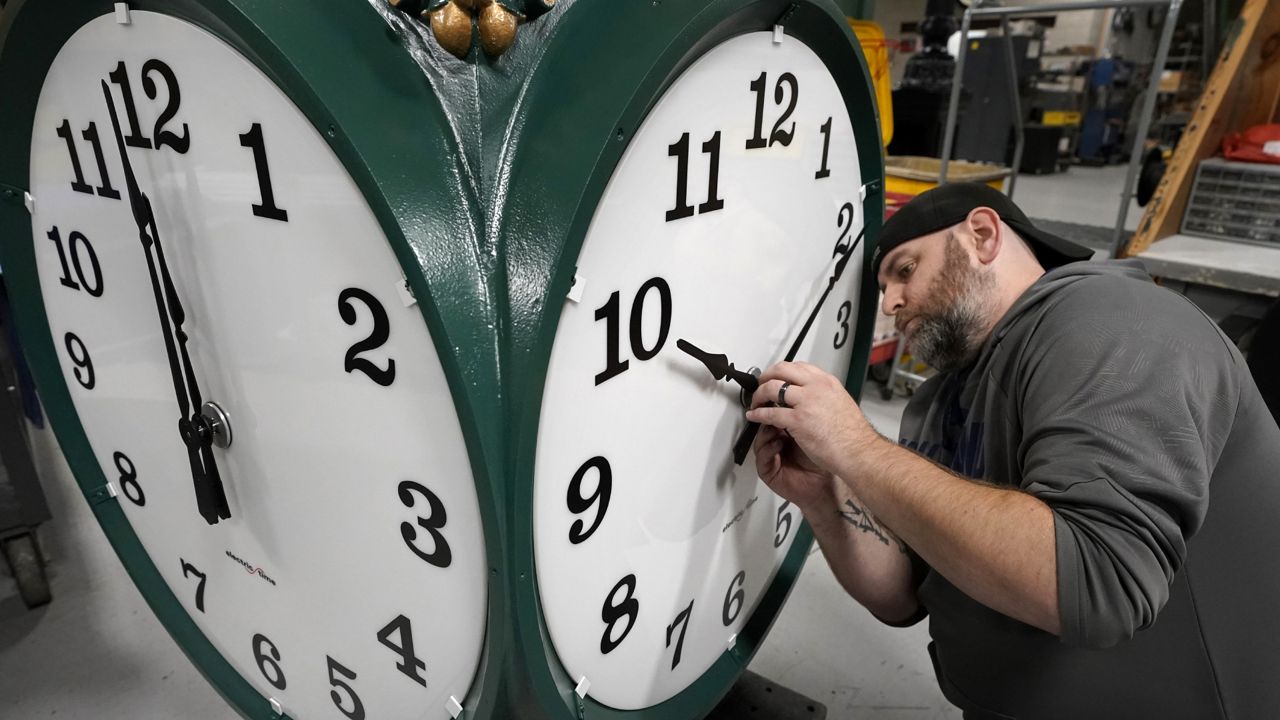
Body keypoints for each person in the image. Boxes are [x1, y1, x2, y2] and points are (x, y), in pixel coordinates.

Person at [746, 182, 1280, 719]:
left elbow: (1098, 583)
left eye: (905, 270)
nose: (890, 303)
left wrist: (856, 445)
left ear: (981, 235)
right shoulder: (939, 401)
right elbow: (906, 593)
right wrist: (824, 495)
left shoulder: (1117, 321)